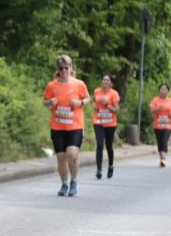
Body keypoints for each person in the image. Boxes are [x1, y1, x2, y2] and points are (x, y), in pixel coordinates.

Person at [43, 55, 90, 196]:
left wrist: (80, 103)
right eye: (61, 68)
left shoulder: (79, 84)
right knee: (61, 157)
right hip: (57, 127)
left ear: (71, 68)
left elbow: (87, 98)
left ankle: (74, 181)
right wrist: (50, 102)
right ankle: (64, 183)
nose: (64, 70)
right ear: (58, 70)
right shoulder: (52, 85)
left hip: (75, 126)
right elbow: (44, 102)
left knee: (72, 153)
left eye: (66, 68)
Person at [92, 74, 120, 179]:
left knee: (108, 145)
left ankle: (110, 165)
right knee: (99, 144)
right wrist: (96, 108)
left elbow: (116, 110)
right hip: (98, 121)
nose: (105, 82)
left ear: (111, 84)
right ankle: (99, 169)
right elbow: (94, 104)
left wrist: (107, 105)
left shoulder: (114, 94)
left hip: (110, 123)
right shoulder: (96, 91)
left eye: (108, 80)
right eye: (104, 80)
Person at [150, 83, 171, 167]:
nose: (163, 91)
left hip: (168, 125)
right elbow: (151, 109)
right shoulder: (155, 100)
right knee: (159, 142)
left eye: (165, 89)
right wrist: (158, 108)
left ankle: (163, 159)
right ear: (159, 90)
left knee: (164, 140)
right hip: (157, 125)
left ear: (168, 91)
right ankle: (161, 158)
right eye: (162, 89)